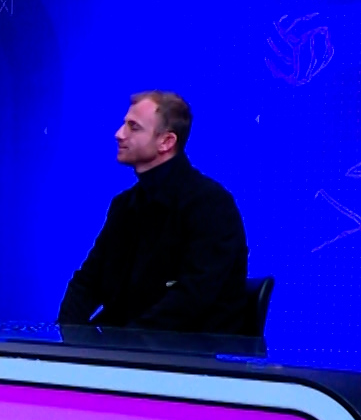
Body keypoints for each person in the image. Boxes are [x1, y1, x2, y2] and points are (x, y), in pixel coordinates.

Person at [57, 91, 251, 333]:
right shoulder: (125, 205)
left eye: (133, 127)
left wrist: (124, 342)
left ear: (166, 142)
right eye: (124, 124)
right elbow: (88, 281)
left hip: (187, 348)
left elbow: (193, 298)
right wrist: (63, 337)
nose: (119, 134)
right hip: (124, 344)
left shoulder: (210, 204)